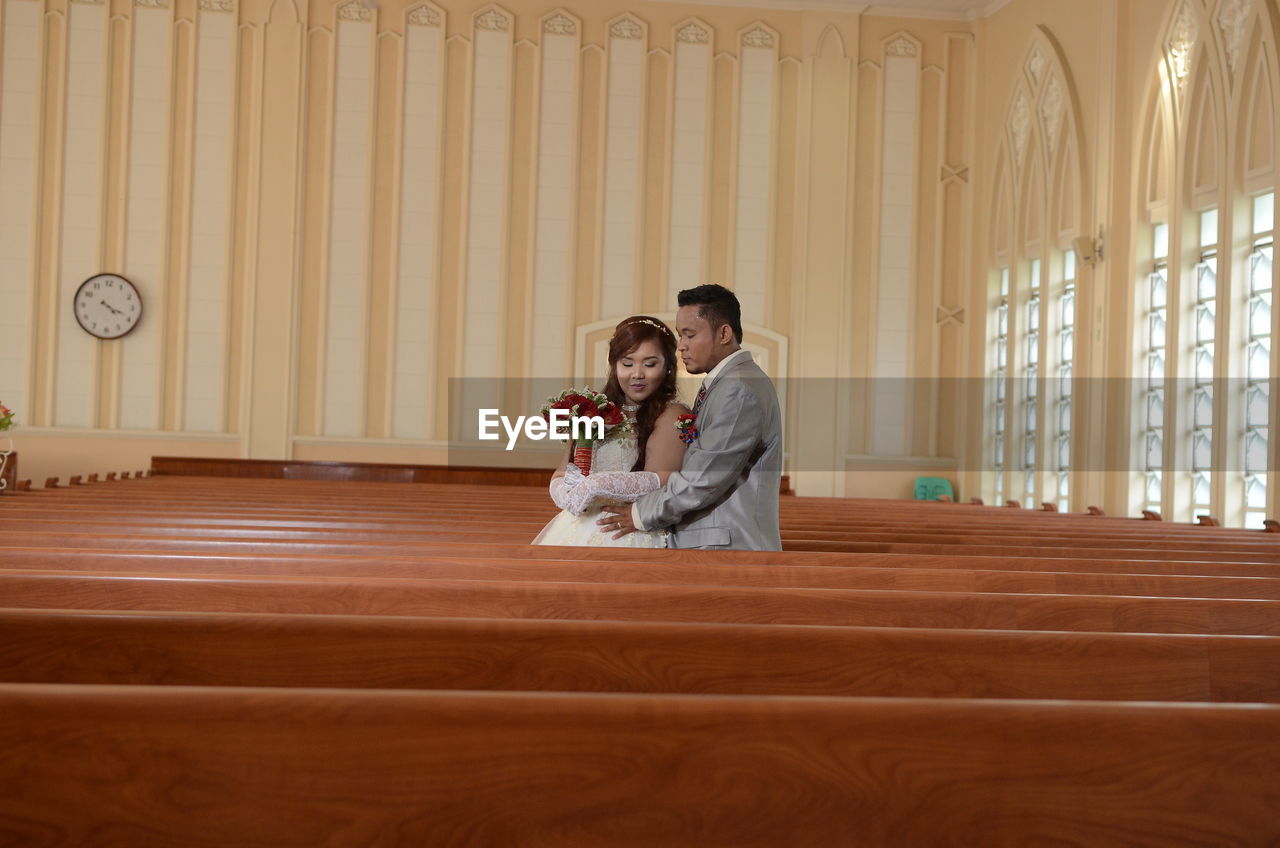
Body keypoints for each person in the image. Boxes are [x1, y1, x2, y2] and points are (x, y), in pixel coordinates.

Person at [599, 284, 782, 550]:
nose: (681, 346)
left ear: (724, 333)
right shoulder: (729, 382)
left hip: (727, 547)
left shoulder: (738, 389)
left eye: (690, 335)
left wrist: (639, 514)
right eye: (680, 336)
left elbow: (704, 477)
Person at [531, 316, 690, 547]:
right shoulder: (592, 409)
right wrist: (564, 493)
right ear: (614, 365)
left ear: (667, 367)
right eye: (627, 363)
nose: (637, 374)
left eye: (650, 363)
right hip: (577, 526)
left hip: (630, 528)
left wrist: (597, 485)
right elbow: (562, 472)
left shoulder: (671, 413)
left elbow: (662, 478)